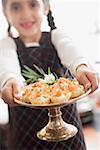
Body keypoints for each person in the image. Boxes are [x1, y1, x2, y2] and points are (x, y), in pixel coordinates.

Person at [0, 0, 99, 149]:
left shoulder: (56, 37)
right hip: (25, 131)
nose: (26, 14)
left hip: (68, 129)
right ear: (5, 13)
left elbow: (70, 50)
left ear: (45, 7)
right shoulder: (6, 44)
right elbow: (7, 65)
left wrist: (81, 67)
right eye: (16, 7)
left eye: (33, 4)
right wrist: (10, 80)